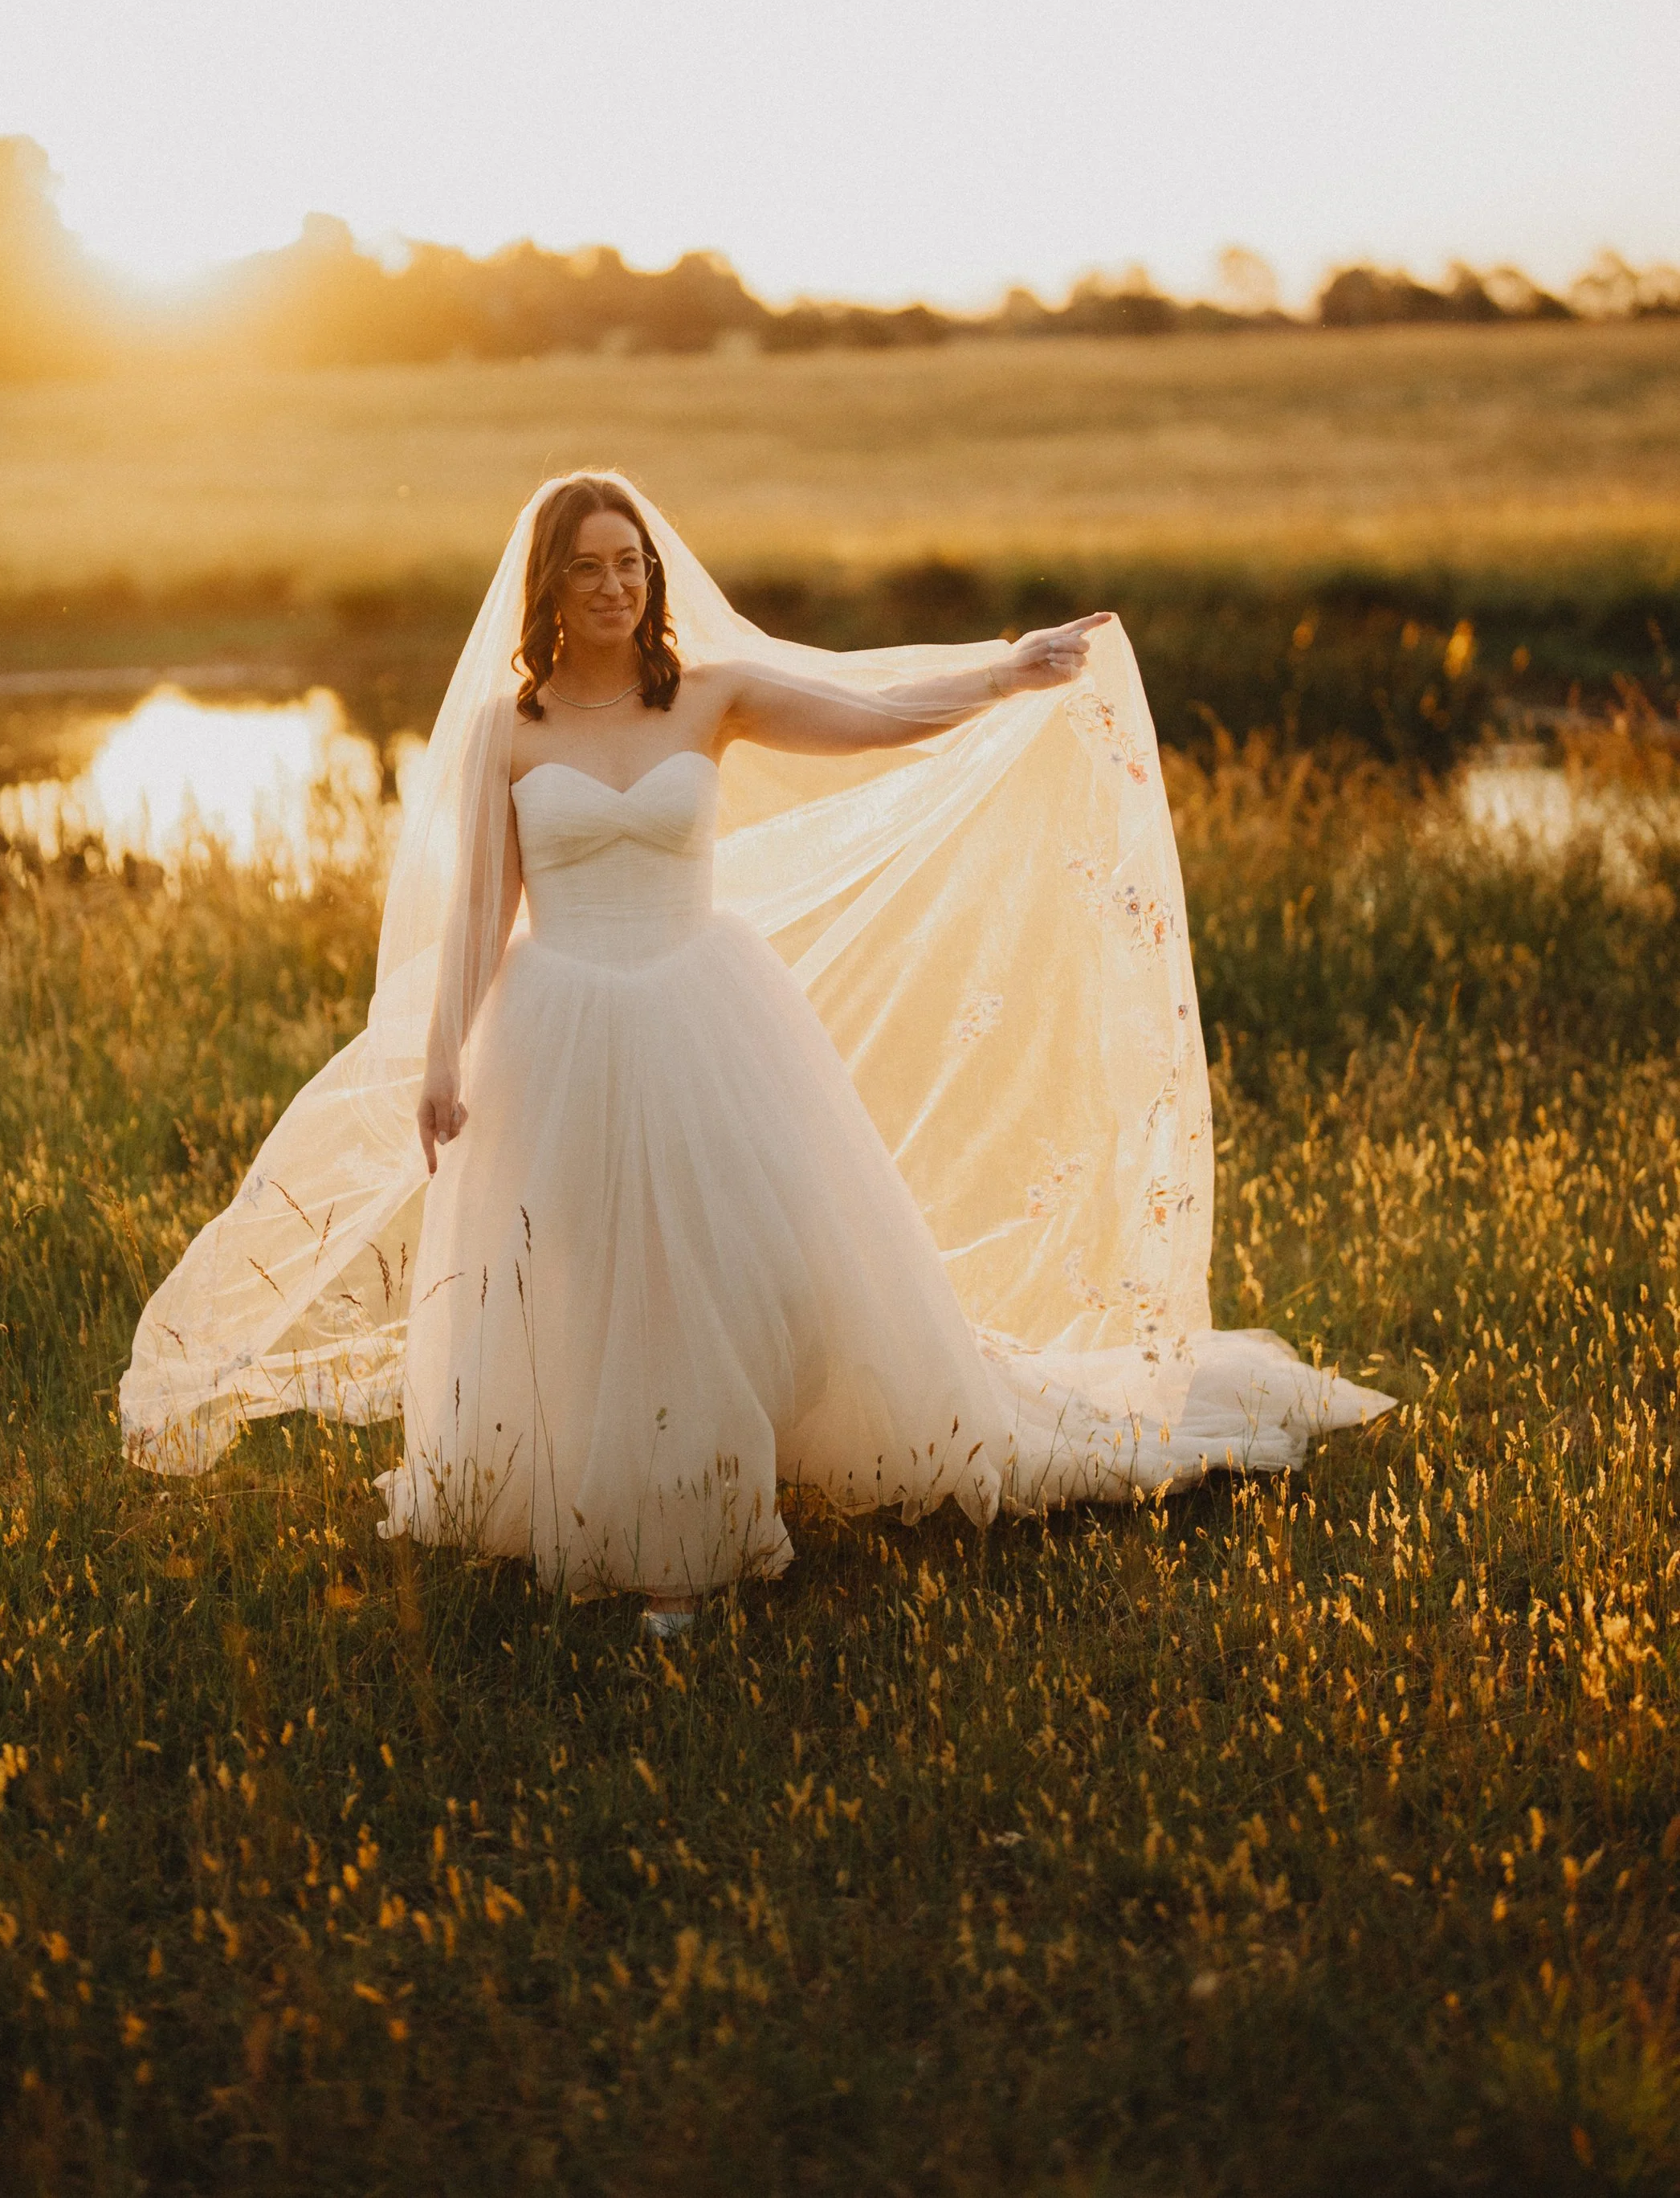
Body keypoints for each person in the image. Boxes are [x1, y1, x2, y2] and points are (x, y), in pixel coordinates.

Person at [121, 474, 1390, 1630]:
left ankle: (704, 1516)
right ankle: (623, 1502)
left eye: (632, 564)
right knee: (586, 1270)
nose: (616, 585)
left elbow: (869, 713)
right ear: (549, 589)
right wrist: (445, 1055)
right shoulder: (512, 728)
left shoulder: (709, 696)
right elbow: (474, 912)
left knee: (716, 1259)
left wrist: (1005, 675)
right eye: (590, 568)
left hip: (700, 1007)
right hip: (556, 1017)